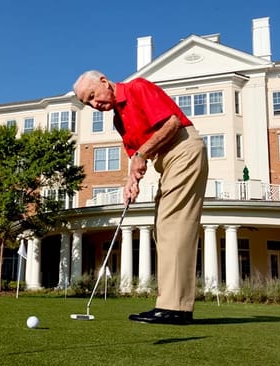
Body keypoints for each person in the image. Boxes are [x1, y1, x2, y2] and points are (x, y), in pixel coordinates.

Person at [73, 71, 208, 325]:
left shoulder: (137, 88)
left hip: (184, 149)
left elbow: (172, 124)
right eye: (88, 103)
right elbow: (135, 155)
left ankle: (175, 309)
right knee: (162, 229)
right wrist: (130, 181)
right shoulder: (118, 120)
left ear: (103, 81)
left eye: (93, 96)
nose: (94, 104)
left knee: (173, 226)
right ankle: (171, 305)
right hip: (166, 161)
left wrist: (142, 155)